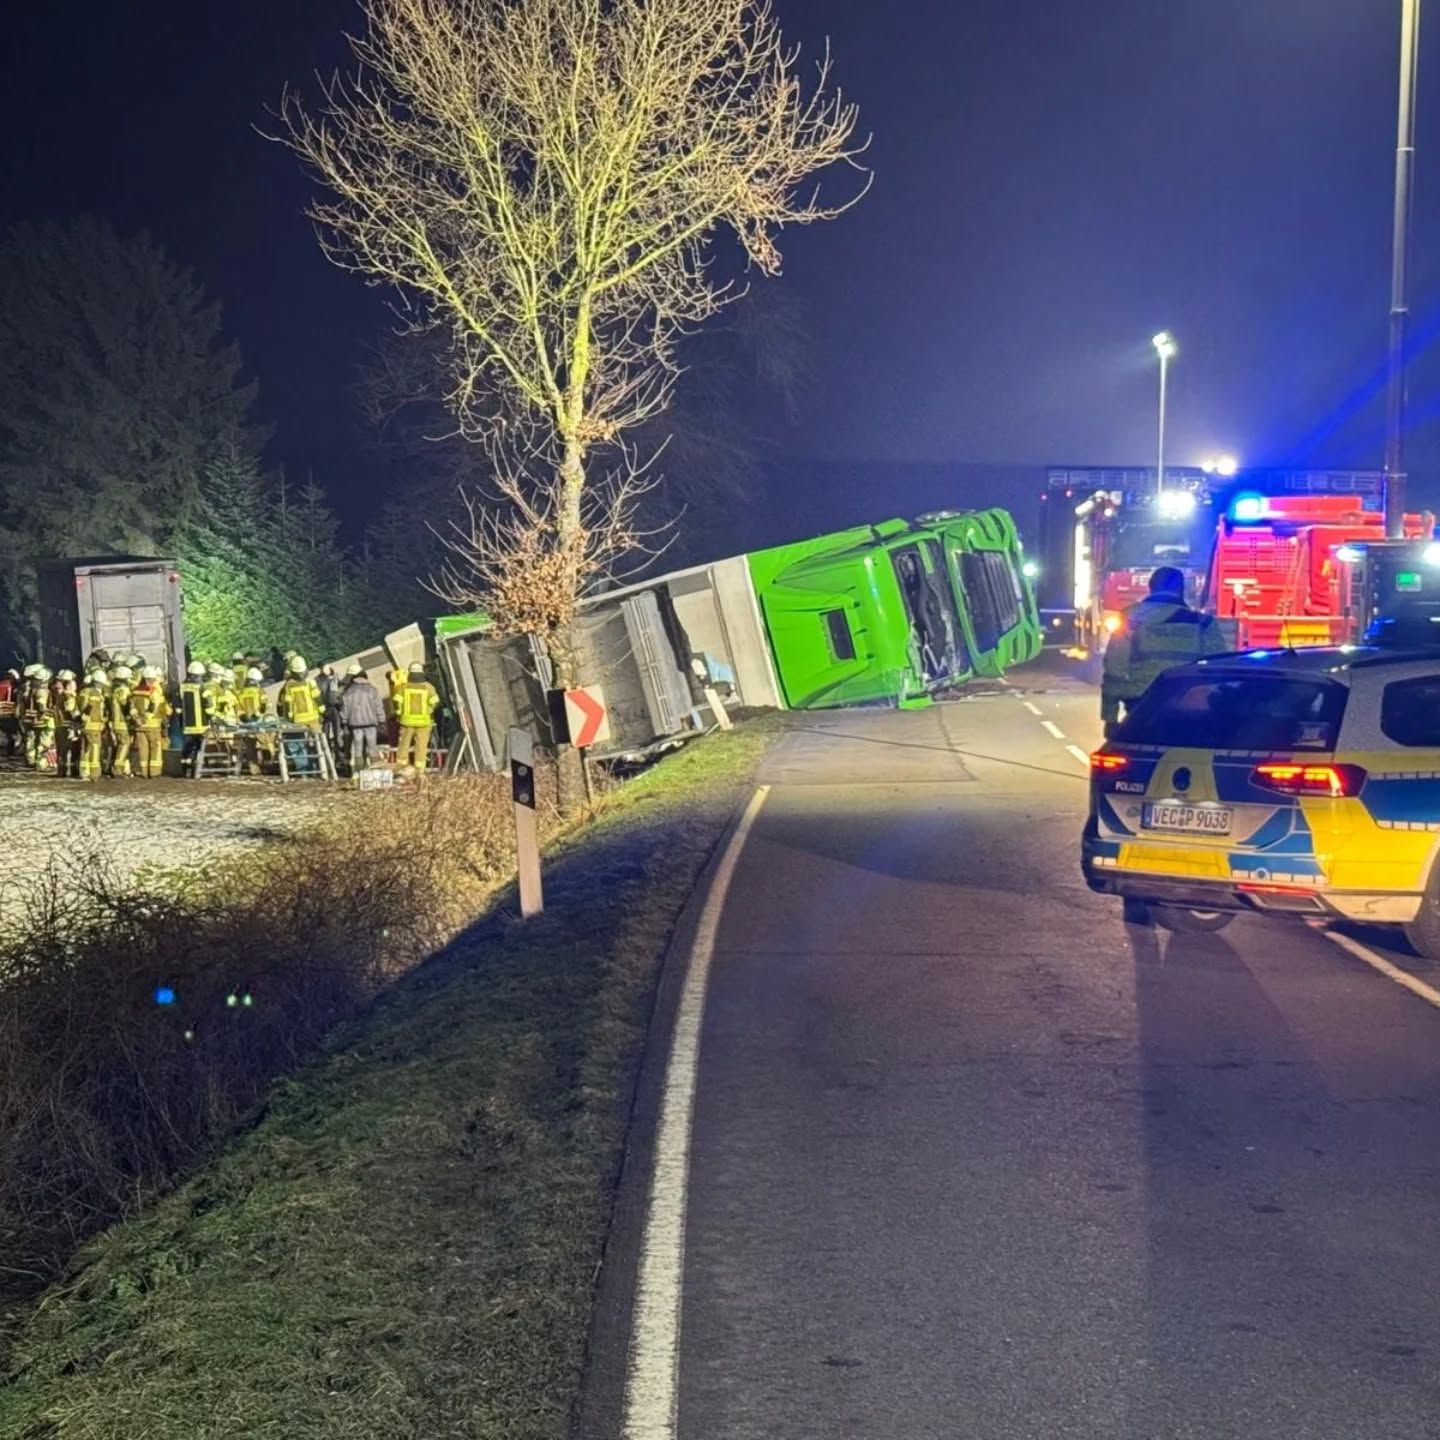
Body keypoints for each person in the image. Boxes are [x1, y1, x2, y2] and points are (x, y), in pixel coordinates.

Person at [1100, 564, 1227, 734]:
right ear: (1181, 590)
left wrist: (1110, 718)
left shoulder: (1130, 618)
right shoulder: (1203, 623)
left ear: (1151, 588)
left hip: (1142, 706)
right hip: (1189, 708)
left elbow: (1114, 669)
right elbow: (1219, 670)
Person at [339, 663, 386, 772]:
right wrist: (382, 720)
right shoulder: (373, 690)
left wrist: (344, 721)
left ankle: (358, 772)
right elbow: (379, 707)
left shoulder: (348, 692)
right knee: (372, 748)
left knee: (358, 749)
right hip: (371, 725)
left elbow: (344, 709)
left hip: (355, 725)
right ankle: (375, 770)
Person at [393, 661, 440, 772]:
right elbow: (436, 702)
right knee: (421, 746)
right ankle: (419, 770)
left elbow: (396, 701)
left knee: (404, 745)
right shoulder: (428, 687)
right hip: (423, 722)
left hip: (406, 722)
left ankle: (401, 767)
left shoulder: (404, 687)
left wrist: (399, 713)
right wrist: (429, 711)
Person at [129, 666, 171, 779]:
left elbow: (131, 708)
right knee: (155, 748)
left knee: (143, 749)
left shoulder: (135, 690)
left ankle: (144, 772)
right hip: (152, 725)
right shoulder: (154, 691)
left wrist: (137, 719)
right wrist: (145, 718)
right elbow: (155, 706)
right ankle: (154, 772)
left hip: (139, 726)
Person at [76, 670, 109, 782]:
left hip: (84, 726)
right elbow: (91, 707)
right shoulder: (94, 693)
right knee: (94, 748)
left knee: (85, 749)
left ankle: (84, 772)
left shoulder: (83, 691)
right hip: (93, 726)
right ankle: (95, 773)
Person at [277, 654, 322, 730]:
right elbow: (317, 697)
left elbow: (288, 702)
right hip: (313, 716)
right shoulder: (310, 682)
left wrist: (289, 715)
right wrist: (322, 710)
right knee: (318, 735)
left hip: (298, 719)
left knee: (301, 736)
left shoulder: (288, 685)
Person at [180, 660, 209, 775]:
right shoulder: (203, 688)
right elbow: (208, 706)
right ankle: (197, 769)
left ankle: (186, 769)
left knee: (187, 748)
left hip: (187, 725)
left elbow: (178, 706)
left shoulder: (181, 687)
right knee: (199, 748)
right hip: (202, 725)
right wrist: (211, 717)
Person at [108, 664, 135, 777]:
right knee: (124, 744)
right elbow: (125, 705)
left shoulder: (113, 690)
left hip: (114, 721)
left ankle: (119, 768)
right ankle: (118, 769)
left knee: (118, 744)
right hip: (122, 722)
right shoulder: (123, 690)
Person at [54, 673, 81, 778]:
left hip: (60, 725)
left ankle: (61, 771)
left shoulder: (60, 695)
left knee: (62, 750)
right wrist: (79, 719)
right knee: (74, 749)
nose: (75, 686)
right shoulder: (68, 696)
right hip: (69, 726)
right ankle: (74, 771)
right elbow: (71, 710)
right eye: (73, 684)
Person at [0, 667, 19, 757]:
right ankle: (9, 751)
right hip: (9, 712)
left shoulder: (1, 684)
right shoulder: (12, 687)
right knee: (10, 733)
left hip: (3, 711)